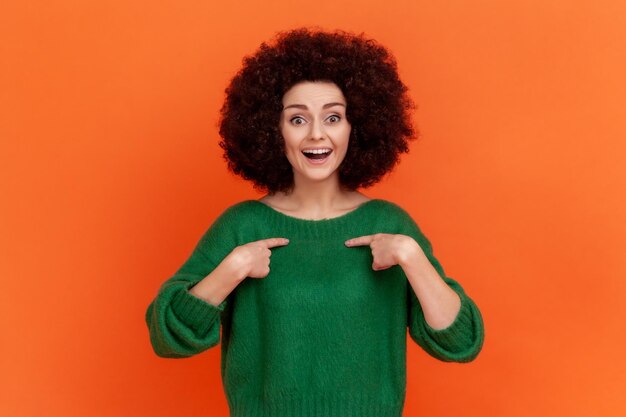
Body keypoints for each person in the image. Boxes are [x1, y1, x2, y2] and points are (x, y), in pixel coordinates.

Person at [145, 27, 484, 417]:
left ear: (356, 127)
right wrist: (233, 268)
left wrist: (411, 256)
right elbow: (167, 336)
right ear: (273, 129)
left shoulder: (390, 225)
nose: (317, 134)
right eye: (298, 120)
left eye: (333, 117)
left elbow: (461, 342)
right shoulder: (243, 226)